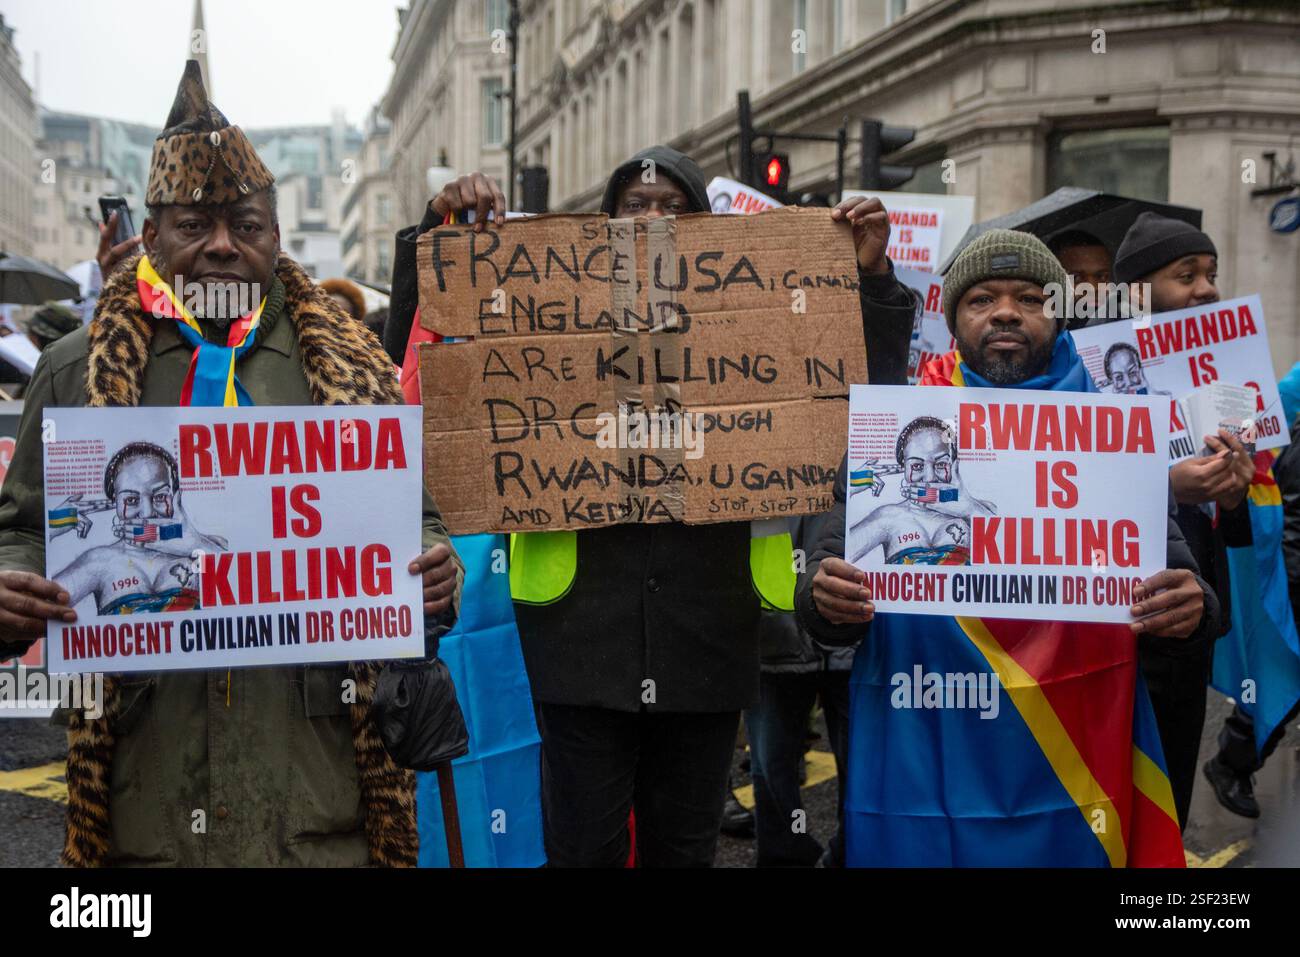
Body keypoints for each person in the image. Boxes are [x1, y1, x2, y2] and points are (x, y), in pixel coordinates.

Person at [387, 145, 919, 866]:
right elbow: (418, 368)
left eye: (673, 207)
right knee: (583, 851)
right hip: (578, 647)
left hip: (710, 640)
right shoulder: (547, 319)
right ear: (600, 231)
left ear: (706, 233)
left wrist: (871, 277)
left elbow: (861, 400)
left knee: (683, 851)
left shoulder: (752, 329)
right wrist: (437, 230)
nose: (653, 220)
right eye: (635, 207)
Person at [0, 61, 463, 867]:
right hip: (151, 796)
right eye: (194, 224)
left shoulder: (348, 367)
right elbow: (26, 531)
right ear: (152, 238)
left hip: (320, 801)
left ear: (275, 237)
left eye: (245, 225)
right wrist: (10, 585)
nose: (222, 245)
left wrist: (434, 566)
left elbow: (411, 517)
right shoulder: (77, 371)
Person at [797, 229, 1219, 866]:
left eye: (1029, 297)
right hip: (931, 737)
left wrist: (1192, 608)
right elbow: (824, 601)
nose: (1005, 311)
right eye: (981, 299)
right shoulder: (896, 428)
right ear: (954, 320)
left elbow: (1188, 590)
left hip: (1073, 751)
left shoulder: (1115, 431)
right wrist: (825, 599)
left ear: (1057, 311)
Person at [1111, 212, 1256, 826]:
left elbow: (1237, 533)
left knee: (1164, 803)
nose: (1207, 288)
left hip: (1189, 626)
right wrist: (1166, 482)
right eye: (1187, 274)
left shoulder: (1227, 373)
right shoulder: (1093, 373)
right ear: (1139, 291)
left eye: (1211, 274)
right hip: (1117, 623)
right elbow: (1071, 487)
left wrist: (1231, 496)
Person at [744, 515, 854, 867]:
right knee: (770, 765)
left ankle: (850, 852)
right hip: (773, 623)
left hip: (857, 629)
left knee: (864, 765)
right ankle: (785, 857)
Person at [848, 416, 996, 565]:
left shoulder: (982, 511)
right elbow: (837, 558)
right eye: (917, 466)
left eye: (940, 464)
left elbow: (1013, 559)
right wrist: (851, 486)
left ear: (954, 464)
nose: (929, 478)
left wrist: (970, 510)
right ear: (903, 468)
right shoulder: (887, 517)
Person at [1048, 228, 1113, 331]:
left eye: (1102, 277)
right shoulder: (1039, 342)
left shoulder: (1134, 324)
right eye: (1076, 278)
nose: (1092, 287)